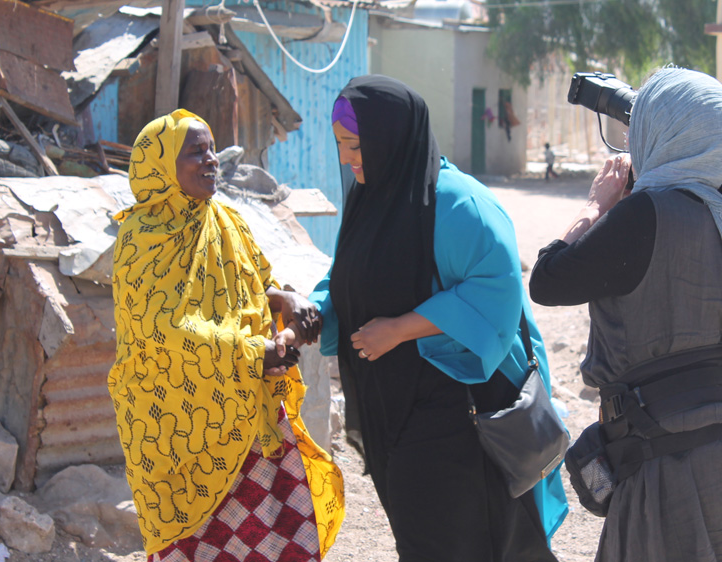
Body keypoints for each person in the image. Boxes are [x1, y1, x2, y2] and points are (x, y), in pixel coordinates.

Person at [529, 67, 722, 562]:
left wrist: (596, 205)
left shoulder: (642, 215)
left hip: (665, 468)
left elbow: (547, 281)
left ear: (664, 132)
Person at [300, 75, 567, 561]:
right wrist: (309, 313)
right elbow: (348, 275)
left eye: (356, 146)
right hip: (396, 412)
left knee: (467, 540)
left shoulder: (457, 203)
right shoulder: (372, 197)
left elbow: (497, 290)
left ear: (392, 138)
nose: (346, 159)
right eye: (341, 145)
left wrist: (401, 328)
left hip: (459, 414)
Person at [108, 109, 344, 562]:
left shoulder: (223, 220)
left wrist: (283, 301)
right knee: (198, 544)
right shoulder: (141, 239)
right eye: (195, 151)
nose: (211, 159)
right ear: (160, 167)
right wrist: (251, 350)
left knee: (283, 532)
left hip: (246, 407)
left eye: (212, 148)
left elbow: (250, 284)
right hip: (177, 422)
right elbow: (163, 329)